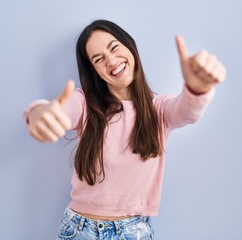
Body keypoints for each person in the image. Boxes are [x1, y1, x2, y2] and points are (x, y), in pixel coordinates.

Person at [23, 19, 226, 240]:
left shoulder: (158, 109)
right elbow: (58, 111)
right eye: (99, 59)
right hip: (81, 231)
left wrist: (197, 88)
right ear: (95, 72)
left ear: (130, 46)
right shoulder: (84, 103)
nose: (111, 61)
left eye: (114, 47)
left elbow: (187, 111)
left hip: (134, 232)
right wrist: (39, 114)